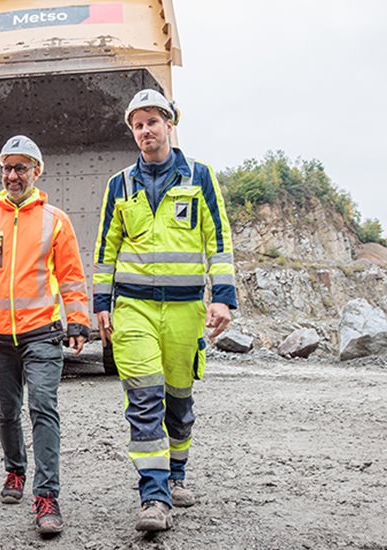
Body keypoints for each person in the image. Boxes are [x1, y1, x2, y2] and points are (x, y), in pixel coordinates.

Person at [92, 90, 237, 532]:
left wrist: (222, 297)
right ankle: (153, 497)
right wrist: (101, 303)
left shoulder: (200, 177)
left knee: (178, 401)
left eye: (152, 121)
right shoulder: (120, 185)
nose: (145, 131)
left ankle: (176, 474)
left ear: (169, 125)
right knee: (143, 398)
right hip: (133, 308)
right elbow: (106, 249)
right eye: (137, 125)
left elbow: (218, 241)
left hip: (184, 310)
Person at [0, 135, 89, 536]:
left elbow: (71, 275)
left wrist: (78, 320)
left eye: (21, 168)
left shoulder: (55, 220)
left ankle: (46, 496)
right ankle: (15, 469)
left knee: (43, 408)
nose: (13, 175)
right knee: (6, 411)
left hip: (42, 333)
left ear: (37, 171)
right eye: (7, 168)